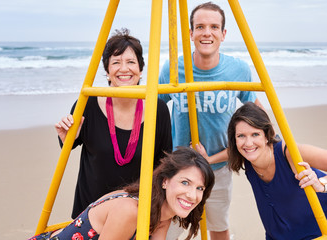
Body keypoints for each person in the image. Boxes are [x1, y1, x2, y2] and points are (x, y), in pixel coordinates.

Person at [158, 2, 263, 239]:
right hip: (179, 169)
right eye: (200, 26)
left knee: (218, 226)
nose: (207, 32)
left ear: (223, 34)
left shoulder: (238, 70)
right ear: (191, 33)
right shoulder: (174, 68)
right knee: (166, 229)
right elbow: (153, 109)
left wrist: (212, 159)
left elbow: (257, 118)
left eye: (214, 27)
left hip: (218, 168)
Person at [55, 28, 172, 219]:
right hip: (89, 215)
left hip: (135, 214)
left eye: (131, 62)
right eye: (116, 62)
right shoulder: (88, 103)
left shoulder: (157, 108)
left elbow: (164, 162)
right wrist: (66, 137)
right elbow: (68, 143)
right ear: (108, 71)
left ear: (141, 70)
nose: (124, 69)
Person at [28, 147, 215, 240]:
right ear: (165, 181)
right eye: (185, 183)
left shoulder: (163, 215)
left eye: (200, 188)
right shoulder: (130, 210)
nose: (192, 195)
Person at [227, 102, 327, 239]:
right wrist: (209, 159)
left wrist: (321, 185)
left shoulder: (289, 152)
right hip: (279, 235)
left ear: (267, 136)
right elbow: (228, 152)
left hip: (318, 232)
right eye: (241, 136)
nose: (248, 143)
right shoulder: (246, 156)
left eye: (255, 134)